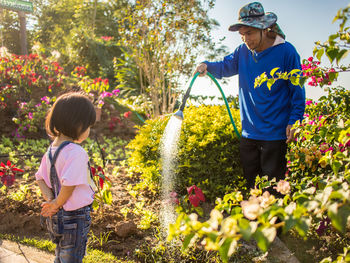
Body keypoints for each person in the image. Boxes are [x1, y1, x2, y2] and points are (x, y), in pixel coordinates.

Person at [195, 2, 305, 191]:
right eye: (242, 35)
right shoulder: (242, 52)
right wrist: (206, 65)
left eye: (250, 33)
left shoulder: (286, 51)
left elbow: (297, 89)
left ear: (264, 28)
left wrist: (294, 120)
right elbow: (225, 66)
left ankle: (276, 220)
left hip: (275, 135)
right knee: (252, 188)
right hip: (249, 134)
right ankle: (255, 221)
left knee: (273, 190)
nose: (246, 39)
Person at [36, 92, 97, 263]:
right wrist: (56, 203)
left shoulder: (50, 151)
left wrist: (51, 200)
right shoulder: (77, 152)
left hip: (56, 217)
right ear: (77, 124)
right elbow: (69, 185)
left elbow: (39, 178)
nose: (89, 131)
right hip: (74, 217)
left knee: (60, 253)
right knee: (71, 257)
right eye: (88, 126)